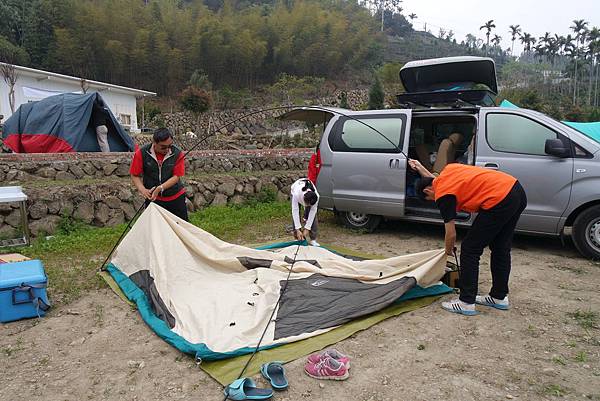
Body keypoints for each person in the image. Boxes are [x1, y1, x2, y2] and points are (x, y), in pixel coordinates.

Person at [408, 159, 527, 316]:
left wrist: (447, 250)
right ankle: (498, 297)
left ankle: (466, 302)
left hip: (499, 199)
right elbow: (433, 182)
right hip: (515, 190)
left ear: (427, 192)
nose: (436, 201)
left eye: (431, 200)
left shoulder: (443, 194)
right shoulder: (448, 171)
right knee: (500, 248)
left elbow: (451, 232)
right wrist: (420, 167)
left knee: (470, 249)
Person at [130, 128, 189, 221]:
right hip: (154, 199)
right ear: (154, 142)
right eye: (163, 147)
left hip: (176, 197)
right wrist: (143, 190)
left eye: (170, 146)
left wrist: (160, 188)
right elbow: (134, 174)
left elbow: (176, 176)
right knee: (155, 229)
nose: (167, 149)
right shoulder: (142, 153)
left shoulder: (177, 153)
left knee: (180, 227)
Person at [290, 178, 320, 246]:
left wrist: (307, 228)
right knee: (295, 215)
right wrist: (298, 229)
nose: (307, 206)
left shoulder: (316, 197)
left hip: (308, 196)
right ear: (304, 200)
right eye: (307, 205)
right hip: (295, 189)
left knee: (314, 216)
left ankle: (313, 239)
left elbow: (312, 213)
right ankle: (296, 237)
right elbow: (295, 211)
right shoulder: (296, 194)